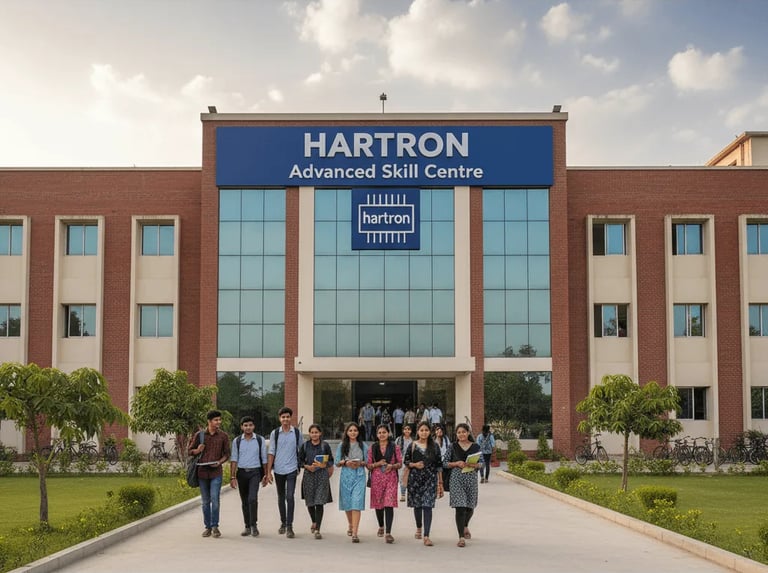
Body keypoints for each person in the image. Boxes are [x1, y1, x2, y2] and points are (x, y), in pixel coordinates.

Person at [188, 409, 231, 538]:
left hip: (216, 472)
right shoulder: (199, 435)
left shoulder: (223, 436)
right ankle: (207, 527)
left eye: (219, 419)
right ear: (209, 421)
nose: (218, 422)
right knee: (205, 501)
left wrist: (219, 462)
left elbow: (227, 454)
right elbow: (189, 451)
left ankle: (215, 526)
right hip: (202, 472)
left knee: (215, 500)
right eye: (216, 420)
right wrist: (197, 450)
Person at [264, 406, 303, 538]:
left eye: (287, 417)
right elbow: (271, 453)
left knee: (290, 496)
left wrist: (301, 466)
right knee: (281, 497)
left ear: (291, 418)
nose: (285, 419)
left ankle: (290, 526)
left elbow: (301, 450)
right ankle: (283, 522)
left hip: (292, 469)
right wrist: (268, 472)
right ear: (280, 418)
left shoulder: (296, 433)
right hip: (279, 469)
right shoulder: (275, 433)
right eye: (283, 417)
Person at [403, 421, 444, 546]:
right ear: (418, 432)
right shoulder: (413, 445)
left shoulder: (435, 446)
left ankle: (426, 535)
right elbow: (406, 461)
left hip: (430, 480)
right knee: (417, 505)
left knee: (427, 505)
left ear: (430, 432)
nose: (424, 432)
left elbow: (439, 465)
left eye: (426, 430)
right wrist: (415, 465)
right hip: (415, 480)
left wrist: (440, 482)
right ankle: (419, 527)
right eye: (421, 430)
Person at [444, 423, 483, 547]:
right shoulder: (452, 446)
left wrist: (474, 465)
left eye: (463, 432)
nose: (461, 434)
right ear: (456, 434)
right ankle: (461, 537)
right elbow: (444, 463)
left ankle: (465, 525)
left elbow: (482, 463)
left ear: (468, 432)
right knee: (460, 507)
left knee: (470, 507)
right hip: (457, 479)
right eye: (459, 432)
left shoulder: (476, 446)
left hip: (471, 479)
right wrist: (456, 463)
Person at [229, 415, 267, 537]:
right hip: (241, 473)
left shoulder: (260, 440)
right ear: (242, 427)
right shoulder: (237, 441)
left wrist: (266, 474)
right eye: (245, 425)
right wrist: (232, 477)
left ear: (254, 426)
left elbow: (264, 459)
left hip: (255, 473)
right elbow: (234, 459)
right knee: (244, 501)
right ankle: (247, 526)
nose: (248, 427)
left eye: (250, 425)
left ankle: (254, 525)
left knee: (252, 498)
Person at [367, 424, 402, 544]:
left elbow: (400, 463)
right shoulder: (373, 447)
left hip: (391, 477)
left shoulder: (395, 447)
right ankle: (381, 525)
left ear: (388, 433)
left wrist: (392, 466)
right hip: (377, 478)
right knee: (379, 503)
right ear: (377, 435)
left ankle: (388, 532)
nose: (382, 435)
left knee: (389, 503)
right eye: (379, 432)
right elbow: (369, 465)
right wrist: (377, 464)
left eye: (384, 432)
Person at [298, 424, 334, 540]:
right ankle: (313, 520)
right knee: (310, 501)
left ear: (320, 433)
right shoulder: (305, 446)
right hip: (309, 475)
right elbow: (300, 460)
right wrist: (306, 466)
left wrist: (324, 464)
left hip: (321, 475)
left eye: (316, 432)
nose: (314, 434)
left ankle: (318, 528)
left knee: (319, 501)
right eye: (312, 432)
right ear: (309, 434)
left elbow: (331, 460)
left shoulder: (325, 446)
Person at [335, 422, 367, 542]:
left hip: (359, 476)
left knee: (356, 502)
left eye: (355, 430)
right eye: (350, 430)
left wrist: (360, 463)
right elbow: (337, 462)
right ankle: (350, 524)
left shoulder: (363, 445)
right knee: (348, 503)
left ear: (358, 432)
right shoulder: (342, 445)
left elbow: (368, 462)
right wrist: (346, 462)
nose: (353, 432)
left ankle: (355, 532)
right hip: (346, 476)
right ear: (347, 432)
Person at [395, 423, 414, 502]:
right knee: (402, 477)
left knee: (409, 478)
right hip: (401, 461)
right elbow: (394, 450)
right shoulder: (399, 439)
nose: (407, 431)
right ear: (403, 430)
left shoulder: (413, 440)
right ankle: (403, 494)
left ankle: (410, 494)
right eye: (405, 429)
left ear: (411, 431)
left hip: (410, 461)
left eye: (408, 429)